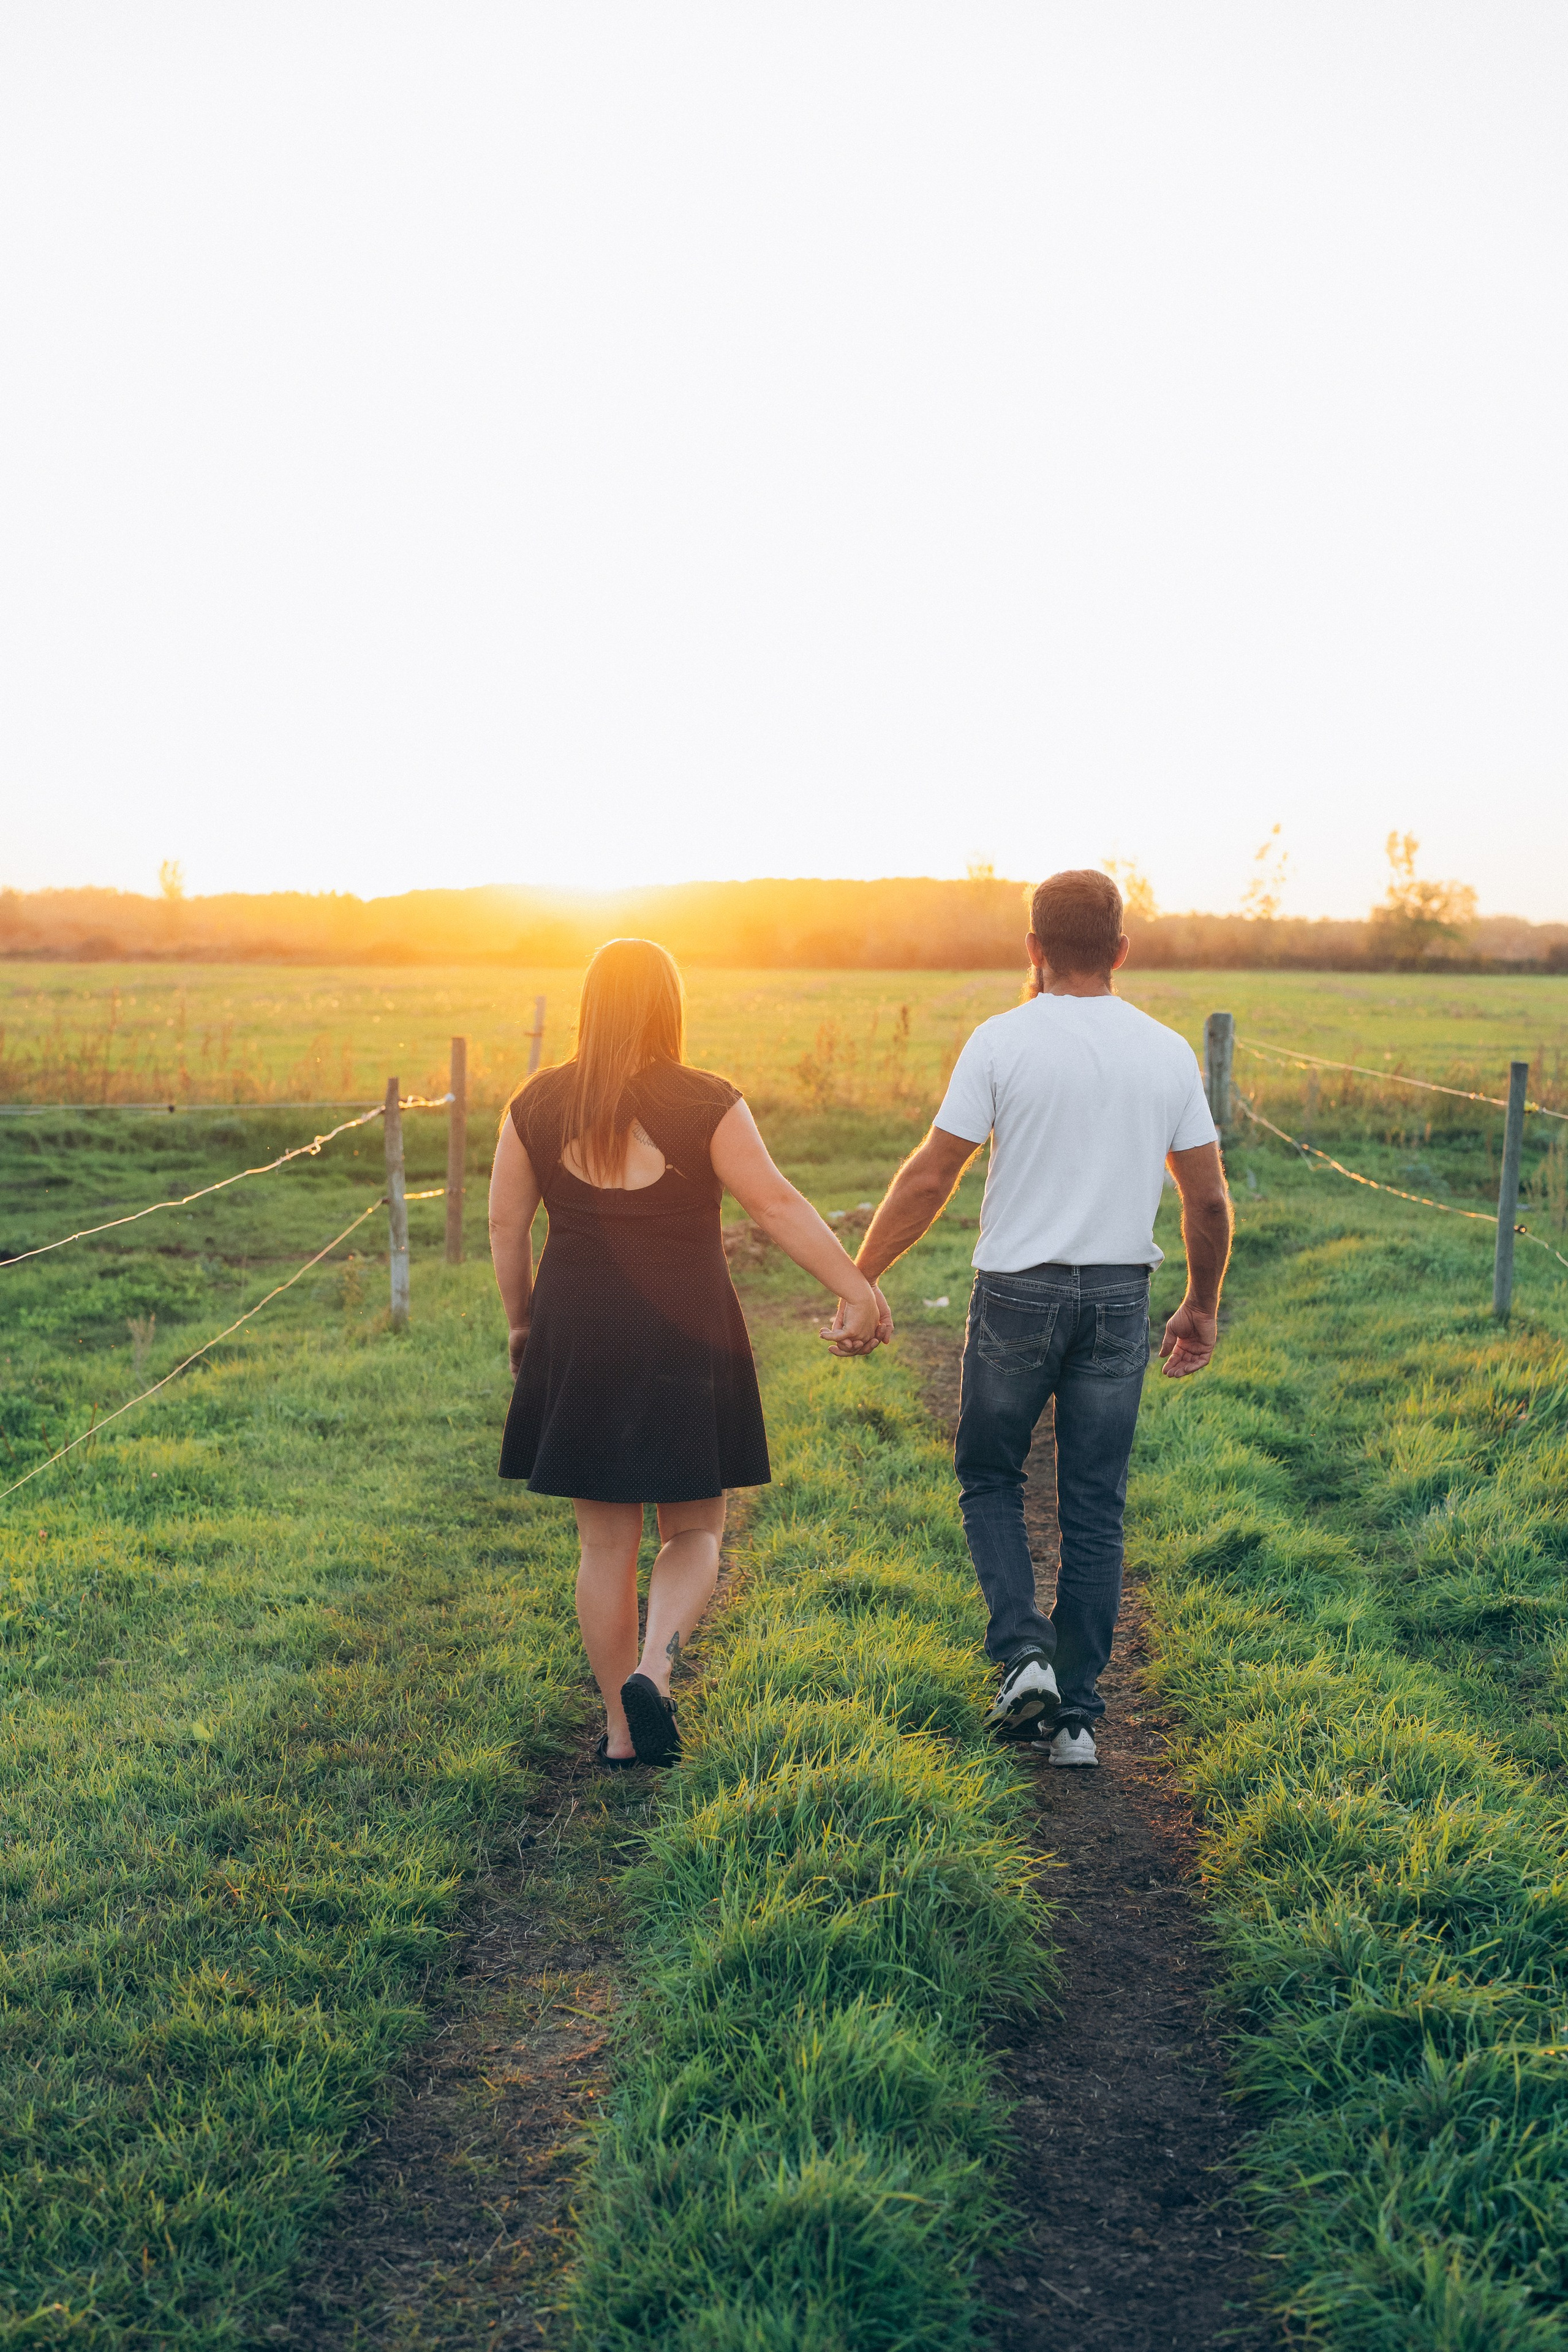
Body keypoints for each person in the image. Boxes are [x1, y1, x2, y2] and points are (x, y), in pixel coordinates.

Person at [848, 869, 1232, 1768]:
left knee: (990, 1476)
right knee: (1095, 1503)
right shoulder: (1167, 1052)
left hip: (1016, 1292)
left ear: (1033, 948)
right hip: (1119, 1296)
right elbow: (1208, 1201)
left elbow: (931, 1175)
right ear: (1121, 951)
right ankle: (1079, 1722)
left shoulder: (1000, 1041)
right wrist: (1201, 1305)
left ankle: (1025, 1654)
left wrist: (859, 1278)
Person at [488, 937, 891, 1768]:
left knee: (604, 1545)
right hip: (685, 1329)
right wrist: (854, 1287)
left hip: (579, 1326)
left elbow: (505, 1224)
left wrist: (524, 1322)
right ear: (669, 1006)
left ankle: (620, 1729)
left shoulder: (536, 1103)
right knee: (696, 1528)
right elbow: (775, 1206)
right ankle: (656, 1669)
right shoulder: (707, 1100)